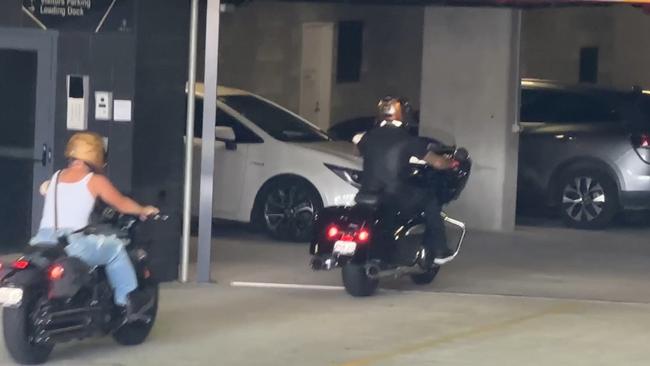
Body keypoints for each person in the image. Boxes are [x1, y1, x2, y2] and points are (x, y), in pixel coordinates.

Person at [30, 131, 159, 320]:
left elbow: (47, 190)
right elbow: (121, 203)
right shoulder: (94, 180)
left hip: (43, 240)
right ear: (97, 156)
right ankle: (127, 302)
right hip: (72, 244)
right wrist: (143, 209)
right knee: (115, 249)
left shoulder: (56, 176)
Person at [354, 96, 458, 266]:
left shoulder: (368, 137)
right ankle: (440, 250)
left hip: (367, 193)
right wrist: (451, 162)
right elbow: (438, 163)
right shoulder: (408, 140)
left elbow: (358, 151)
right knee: (430, 199)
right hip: (395, 194)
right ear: (402, 114)